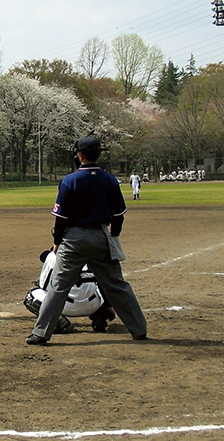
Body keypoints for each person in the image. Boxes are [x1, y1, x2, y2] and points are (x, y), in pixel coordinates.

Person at [27, 135, 147, 345]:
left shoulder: (70, 181)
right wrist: (113, 235)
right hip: (101, 235)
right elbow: (119, 215)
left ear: (79, 155)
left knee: (58, 286)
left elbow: (60, 218)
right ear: (98, 154)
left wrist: (57, 240)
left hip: (73, 238)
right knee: (117, 285)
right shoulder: (109, 180)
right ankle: (139, 329)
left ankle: (41, 333)